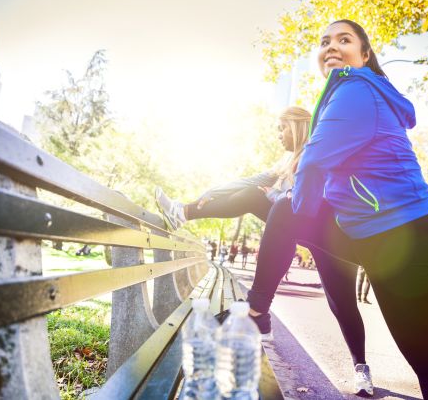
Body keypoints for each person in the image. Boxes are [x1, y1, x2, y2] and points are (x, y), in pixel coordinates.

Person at [245, 20, 428, 399]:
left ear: (364, 55)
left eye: (344, 40)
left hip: (403, 236)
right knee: (284, 212)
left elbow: (313, 161)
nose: (331, 46)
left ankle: (254, 312)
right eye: (324, 41)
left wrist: (305, 214)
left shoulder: (355, 89)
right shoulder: (349, 92)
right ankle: (255, 312)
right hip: (375, 234)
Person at [155, 107, 373, 396]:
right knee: (256, 198)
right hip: (301, 224)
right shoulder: (288, 161)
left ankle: (361, 367)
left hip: (334, 240)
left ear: (296, 127)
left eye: (281, 128)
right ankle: (183, 213)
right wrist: (214, 191)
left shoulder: (319, 150)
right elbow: (251, 182)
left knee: (343, 306)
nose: (278, 134)